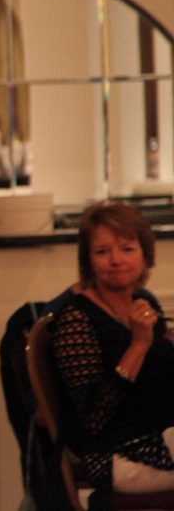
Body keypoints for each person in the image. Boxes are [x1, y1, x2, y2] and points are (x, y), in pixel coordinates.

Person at [52, 202, 174, 494]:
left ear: (145, 257)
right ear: (89, 261)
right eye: (102, 252)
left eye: (127, 249)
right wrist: (139, 344)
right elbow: (95, 419)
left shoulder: (143, 305)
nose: (115, 260)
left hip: (164, 436)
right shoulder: (76, 319)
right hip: (119, 453)